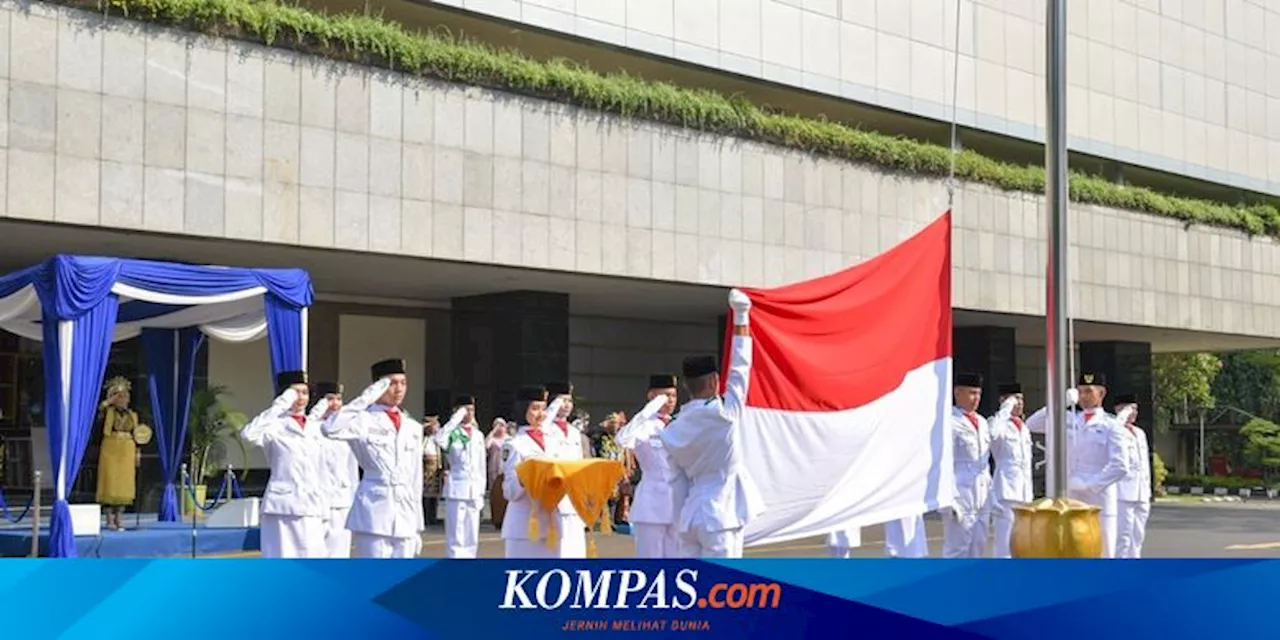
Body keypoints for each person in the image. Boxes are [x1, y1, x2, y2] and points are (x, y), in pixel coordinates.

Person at [660, 289, 764, 558]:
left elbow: (676, 483)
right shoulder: (724, 415)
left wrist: (680, 519)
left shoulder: (671, 431)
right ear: (714, 382)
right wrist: (742, 316)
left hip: (691, 515)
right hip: (722, 513)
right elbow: (741, 368)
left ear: (685, 386)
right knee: (724, 592)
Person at [323, 359, 426, 559]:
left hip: (404, 515)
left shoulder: (412, 427)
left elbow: (415, 478)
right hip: (374, 512)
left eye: (403, 383)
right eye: (391, 383)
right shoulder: (362, 420)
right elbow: (329, 428)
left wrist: (417, 526)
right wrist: (365, 398)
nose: (399, 389)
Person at [240, 371, 329, 558]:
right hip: (282, 506)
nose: (300, 398)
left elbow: (321, 468)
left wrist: (325, 507)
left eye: (304, 393)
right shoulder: (274, 425)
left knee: (314, 560)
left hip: (311, 505)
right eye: (294, 393)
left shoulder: (316, 428)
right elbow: (248, 435)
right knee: (282, 559)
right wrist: (279, 406)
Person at [616, 374, 687, 558]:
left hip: (679, 502)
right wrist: (648, 411)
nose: (669, 400)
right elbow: (622, 440)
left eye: (672, 395)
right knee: (650, 559)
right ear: (651, 396)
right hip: (652, 503)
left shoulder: (680, 424)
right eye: (664, 396)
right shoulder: (644, 425)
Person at [501, 385, 555, 558]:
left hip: (549, 523)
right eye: (535, 408)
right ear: (523, 409)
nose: (540, 414)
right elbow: (509, 491)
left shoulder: (552, 442)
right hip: (522, 525)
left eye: (543, 409)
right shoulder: (514, 444)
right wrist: (526, 478)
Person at [942, 371, 992, 558]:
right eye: (971, 393)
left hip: (982, 496)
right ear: (957, 393)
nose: (976, 399)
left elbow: (984, 463)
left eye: (978, 393)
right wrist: (949, 499)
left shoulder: (982, 422)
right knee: (957, 549)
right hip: (961, 495)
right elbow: (943, 463)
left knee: (978, 546)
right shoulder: (950, 422)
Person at [310, 382, 358, 558]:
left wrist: (353, 501)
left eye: (339, 399)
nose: (336, 404)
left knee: (339, 554)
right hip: (315, 501)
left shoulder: (345, 431)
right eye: (330, 399)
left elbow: (352, 470)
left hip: (341, 501)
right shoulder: (309, 429)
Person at [436, 394, 488, 558]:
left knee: (472, 533)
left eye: (472, 410)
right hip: (457, 488)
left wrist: (481, 491)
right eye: (465, 410)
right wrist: (454, 420)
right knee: (456, 532)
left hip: (474, 488)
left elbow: (481, 466)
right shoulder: (452, 432)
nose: (469, 413)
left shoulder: (478, 435)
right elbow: (439, 439)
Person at [95, 377, 148, 531]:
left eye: (125, 396)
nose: (123, 399)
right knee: (110, 482)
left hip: (127, 450)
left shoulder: (133, 415)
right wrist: (107, 402)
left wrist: (137, 453)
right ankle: (109, 517)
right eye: (119, 396)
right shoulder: (107, 412)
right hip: (111, 449)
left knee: (124, 484)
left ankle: (120, 517)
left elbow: (138, 435)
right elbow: (98, 417)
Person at [542, 381, 588, 557]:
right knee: (558, 546)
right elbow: (543, 424)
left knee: (575, 545)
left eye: (569, 401)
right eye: (562, 401)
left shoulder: (574, 432)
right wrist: (552, 407)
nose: (566, 405)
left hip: (574, 493)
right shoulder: (546, 428)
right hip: (555, 490)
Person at [988, 381, 1033, 558]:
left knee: (1022, 542)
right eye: (1014, 399)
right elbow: (992, 435)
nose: (1019, 403)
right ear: (1003, 401)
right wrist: (1005, 410)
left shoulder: (1024, 427)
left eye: (1021, 399)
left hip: (1024, 492)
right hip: (1006, 492)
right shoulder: (997, 423)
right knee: (1004, 543)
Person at [1113, 393, 1150, 559]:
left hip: (1141, 491)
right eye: (1129, 408)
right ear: (1118, 410)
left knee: (1138, 534)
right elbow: (1113, 431)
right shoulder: (1115, 429)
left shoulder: (1140, 433)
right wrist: (1121, 418)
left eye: (1135, 409)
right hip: (1123, 492)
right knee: (1123, 535)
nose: (1133, 412)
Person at [486, 418, 511, 530]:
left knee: (505, 494)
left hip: (505, 468)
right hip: (494, 468)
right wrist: (492, 432)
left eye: (502, 426)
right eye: (497, 426)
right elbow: (486, 446)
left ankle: (505, 517)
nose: (500, 428)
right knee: (495, 494)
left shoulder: (509, 439)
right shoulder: (492, 439)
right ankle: (496, 518)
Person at [422, 416, 443, 527]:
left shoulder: (437, 439)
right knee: (425, 494)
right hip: (425, 467)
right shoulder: (423, 439)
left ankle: (433, 516)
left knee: (435, 494)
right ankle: (425, 516)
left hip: (436, 468)